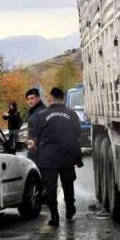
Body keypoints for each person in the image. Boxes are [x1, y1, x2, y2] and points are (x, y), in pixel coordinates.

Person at [29, 86, 83, 226]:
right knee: (68, 185)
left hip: (48, 159)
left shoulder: (42, 115)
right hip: (67, 157)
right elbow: (78, 134)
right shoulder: (72, 114)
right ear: (63, 98)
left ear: (50, 98)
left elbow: (36, 137)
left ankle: (54, 216)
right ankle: (70, 210)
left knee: (50, 188)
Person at [24, 87, 45, 160]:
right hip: (34, 149)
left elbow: (45, 131)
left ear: (38, 98)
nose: (30, 101)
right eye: (28, 99)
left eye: (32, 98)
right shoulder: (34, 111)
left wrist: (35, 141)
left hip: (40, 151)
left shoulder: (41, 112)